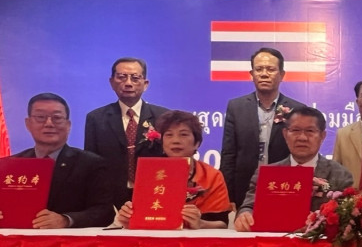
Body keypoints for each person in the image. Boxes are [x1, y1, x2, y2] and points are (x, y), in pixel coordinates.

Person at [234, 106, 353, 231]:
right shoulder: (266, 174)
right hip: (273, 241)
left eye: (310, 131)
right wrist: (244, 214)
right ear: (285, 134)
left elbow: (345, 219)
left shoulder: (340, 175)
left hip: (316, 242)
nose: (302, 137)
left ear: (322, 136)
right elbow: (248, 206)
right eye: (295, 130)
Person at [8, 93, 112, 228]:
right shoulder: (11, 165)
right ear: (28, 124)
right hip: (18, 238)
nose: (49, 124)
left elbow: (104, 212)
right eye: (40, 117)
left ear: (68, 125)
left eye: (57, 118)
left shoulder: (91, 164)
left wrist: (66, 220)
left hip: (68, 240)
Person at [220, 47, 307, 209]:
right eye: (259, 69)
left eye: (271, 69)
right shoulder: (236, 107)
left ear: (282, 75)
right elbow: (228, 154)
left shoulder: (297, 109)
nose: (264, 74)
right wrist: (227, 195)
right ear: (251, 74)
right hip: (244, 188)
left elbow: (301, 154)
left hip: (283, 186)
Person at [114, 110, 231, 229]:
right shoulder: (148, 172)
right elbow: (143, 216)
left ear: (197, 143)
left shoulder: (211, 176)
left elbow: (222, 223)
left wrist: (201, 223)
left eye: (183, 134)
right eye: (169, 135)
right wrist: (129, 218)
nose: (175, 140)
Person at [84, 57, 170, 208]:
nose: (128, 83)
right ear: (112, 82)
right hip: (110, 197)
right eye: (122, 77)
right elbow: (91, 162)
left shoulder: (163, 117)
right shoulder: (96, 118)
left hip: (153, 192)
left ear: (145, 84)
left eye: (135, 78)